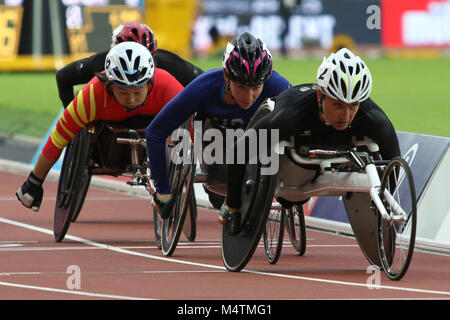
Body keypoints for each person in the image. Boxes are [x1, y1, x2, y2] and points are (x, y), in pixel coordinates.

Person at [223, 47, 401, 235]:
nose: (346, 115)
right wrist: (233, 204)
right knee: (289, 195)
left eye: (354, 105)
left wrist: (384, 201)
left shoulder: (373, 118)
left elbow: (394, 161)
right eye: (338, 105)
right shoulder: (291, 115)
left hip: (324, 153)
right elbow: (238, 152)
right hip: (292, 160)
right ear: (320, 96)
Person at [16, 41, 184, 212]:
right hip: (105, 140)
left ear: (149, 85)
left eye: (137, 91)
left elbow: (193, 126)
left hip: (156, 126)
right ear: (109, 87)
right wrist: (34, 182)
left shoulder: (167, 86)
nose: (131, 99)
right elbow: (58, 138)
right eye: (123, 92)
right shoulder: (93, 95)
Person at [145, 32, 292, 223]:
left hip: (258, 142)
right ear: (226, 76)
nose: (249, 96)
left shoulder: (278, 87)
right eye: (241, 87)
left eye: (256, 87)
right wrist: (163, 190)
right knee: (217, 195)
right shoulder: (203, 87)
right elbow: (155, 132)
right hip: (215, 140)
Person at [56, 22, 203, 108]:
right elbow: (63, 76)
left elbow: (204, 82)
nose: (132, 70)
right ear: (113, 55)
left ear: (153, 54)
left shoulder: (171, 64)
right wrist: (74, 117)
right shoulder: (100, 63)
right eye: (124, 62)